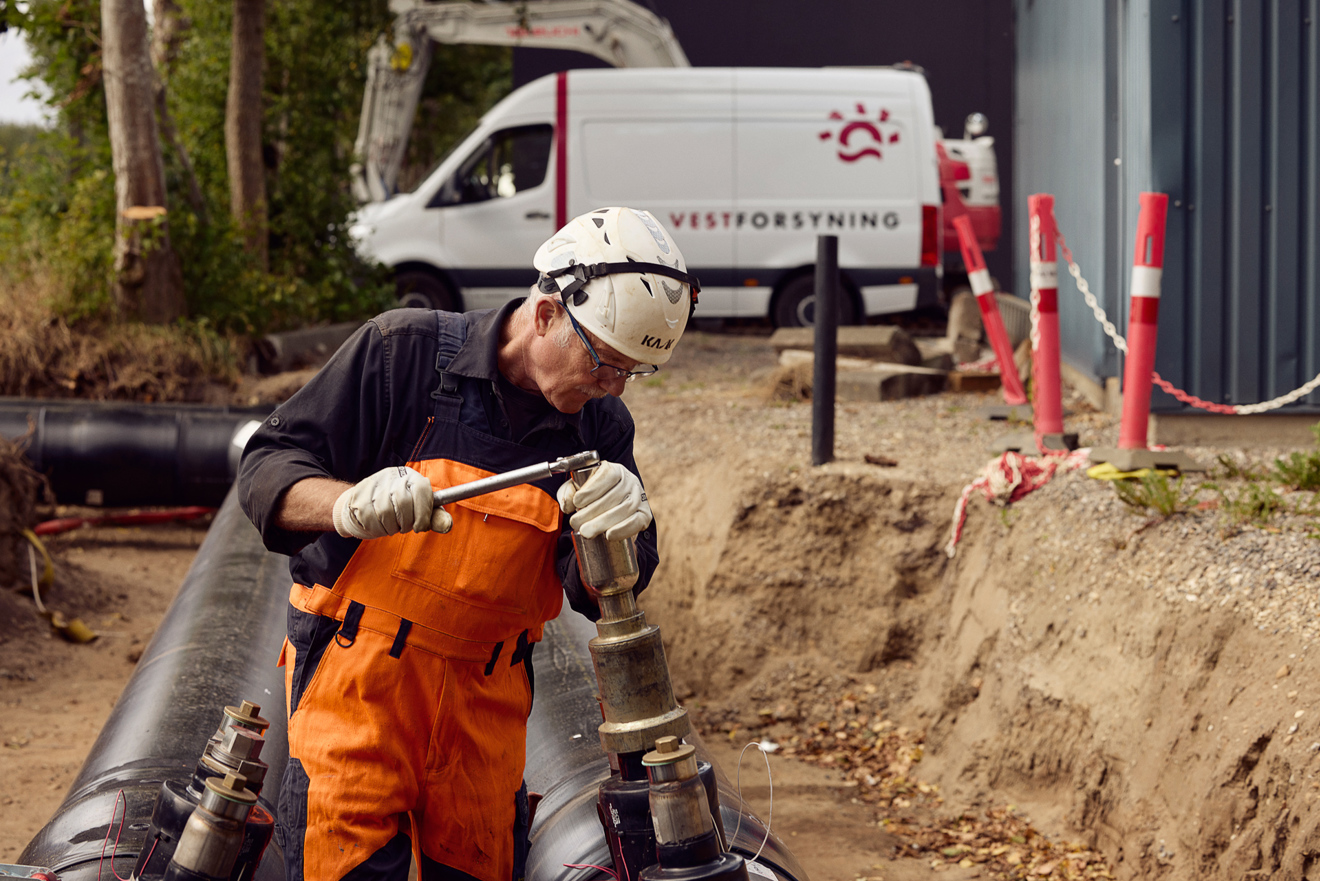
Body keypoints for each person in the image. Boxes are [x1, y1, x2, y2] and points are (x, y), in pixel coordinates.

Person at [237, 206, 699, 881]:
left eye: (634, 372)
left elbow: (601, 594)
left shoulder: (600, 426)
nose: (614, 387)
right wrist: (345, 505)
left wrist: (619, 528)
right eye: (604, 362)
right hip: (359, 684)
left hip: (486, 706)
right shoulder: (403, 355)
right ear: (547, 313)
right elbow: (266, 467)